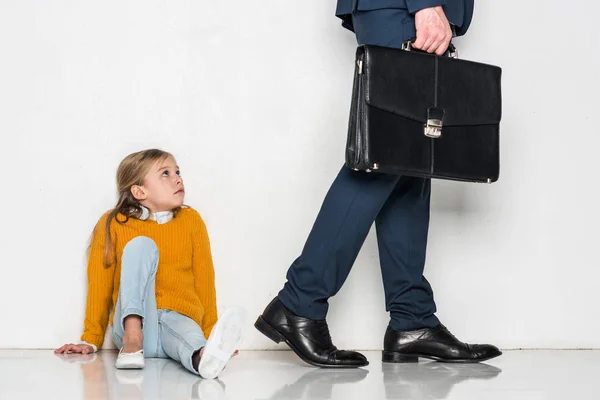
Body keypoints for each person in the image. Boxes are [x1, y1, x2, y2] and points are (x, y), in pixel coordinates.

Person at [255, 0, 501, 367]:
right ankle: (298, 302)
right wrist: (424, 4)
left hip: (406, 8)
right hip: (404, 6)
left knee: (408, 159)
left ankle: (412, 319)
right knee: (380, 157)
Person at [55, 149, 244, 379]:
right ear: (139, 191)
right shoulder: (113, 224)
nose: (177, 178)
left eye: (177, 171)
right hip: (131, 329)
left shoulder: (191, 221)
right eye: (165, 173)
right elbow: (99, 287)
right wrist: (90, 339)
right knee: (140, 245)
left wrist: (211, 337)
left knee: (190, 338)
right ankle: (133, 337)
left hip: (178, 322)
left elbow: (205, 281)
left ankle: (203, 357)